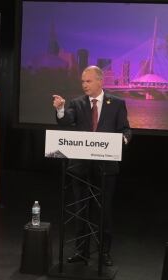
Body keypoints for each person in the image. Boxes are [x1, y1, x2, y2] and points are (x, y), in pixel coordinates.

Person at [52, 66, 132, 267]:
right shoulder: (77, 103)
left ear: (100, 81)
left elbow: (126, 129)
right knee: (81, 210)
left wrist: (122, 140)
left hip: (106, 167)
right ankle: (82, 251)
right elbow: (66, 121)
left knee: (104, 211)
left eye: (88, 81)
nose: (84, 85)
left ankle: (104, 253)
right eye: (82, 81)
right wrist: (60, 109)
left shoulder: (117, 104)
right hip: (81, 167)